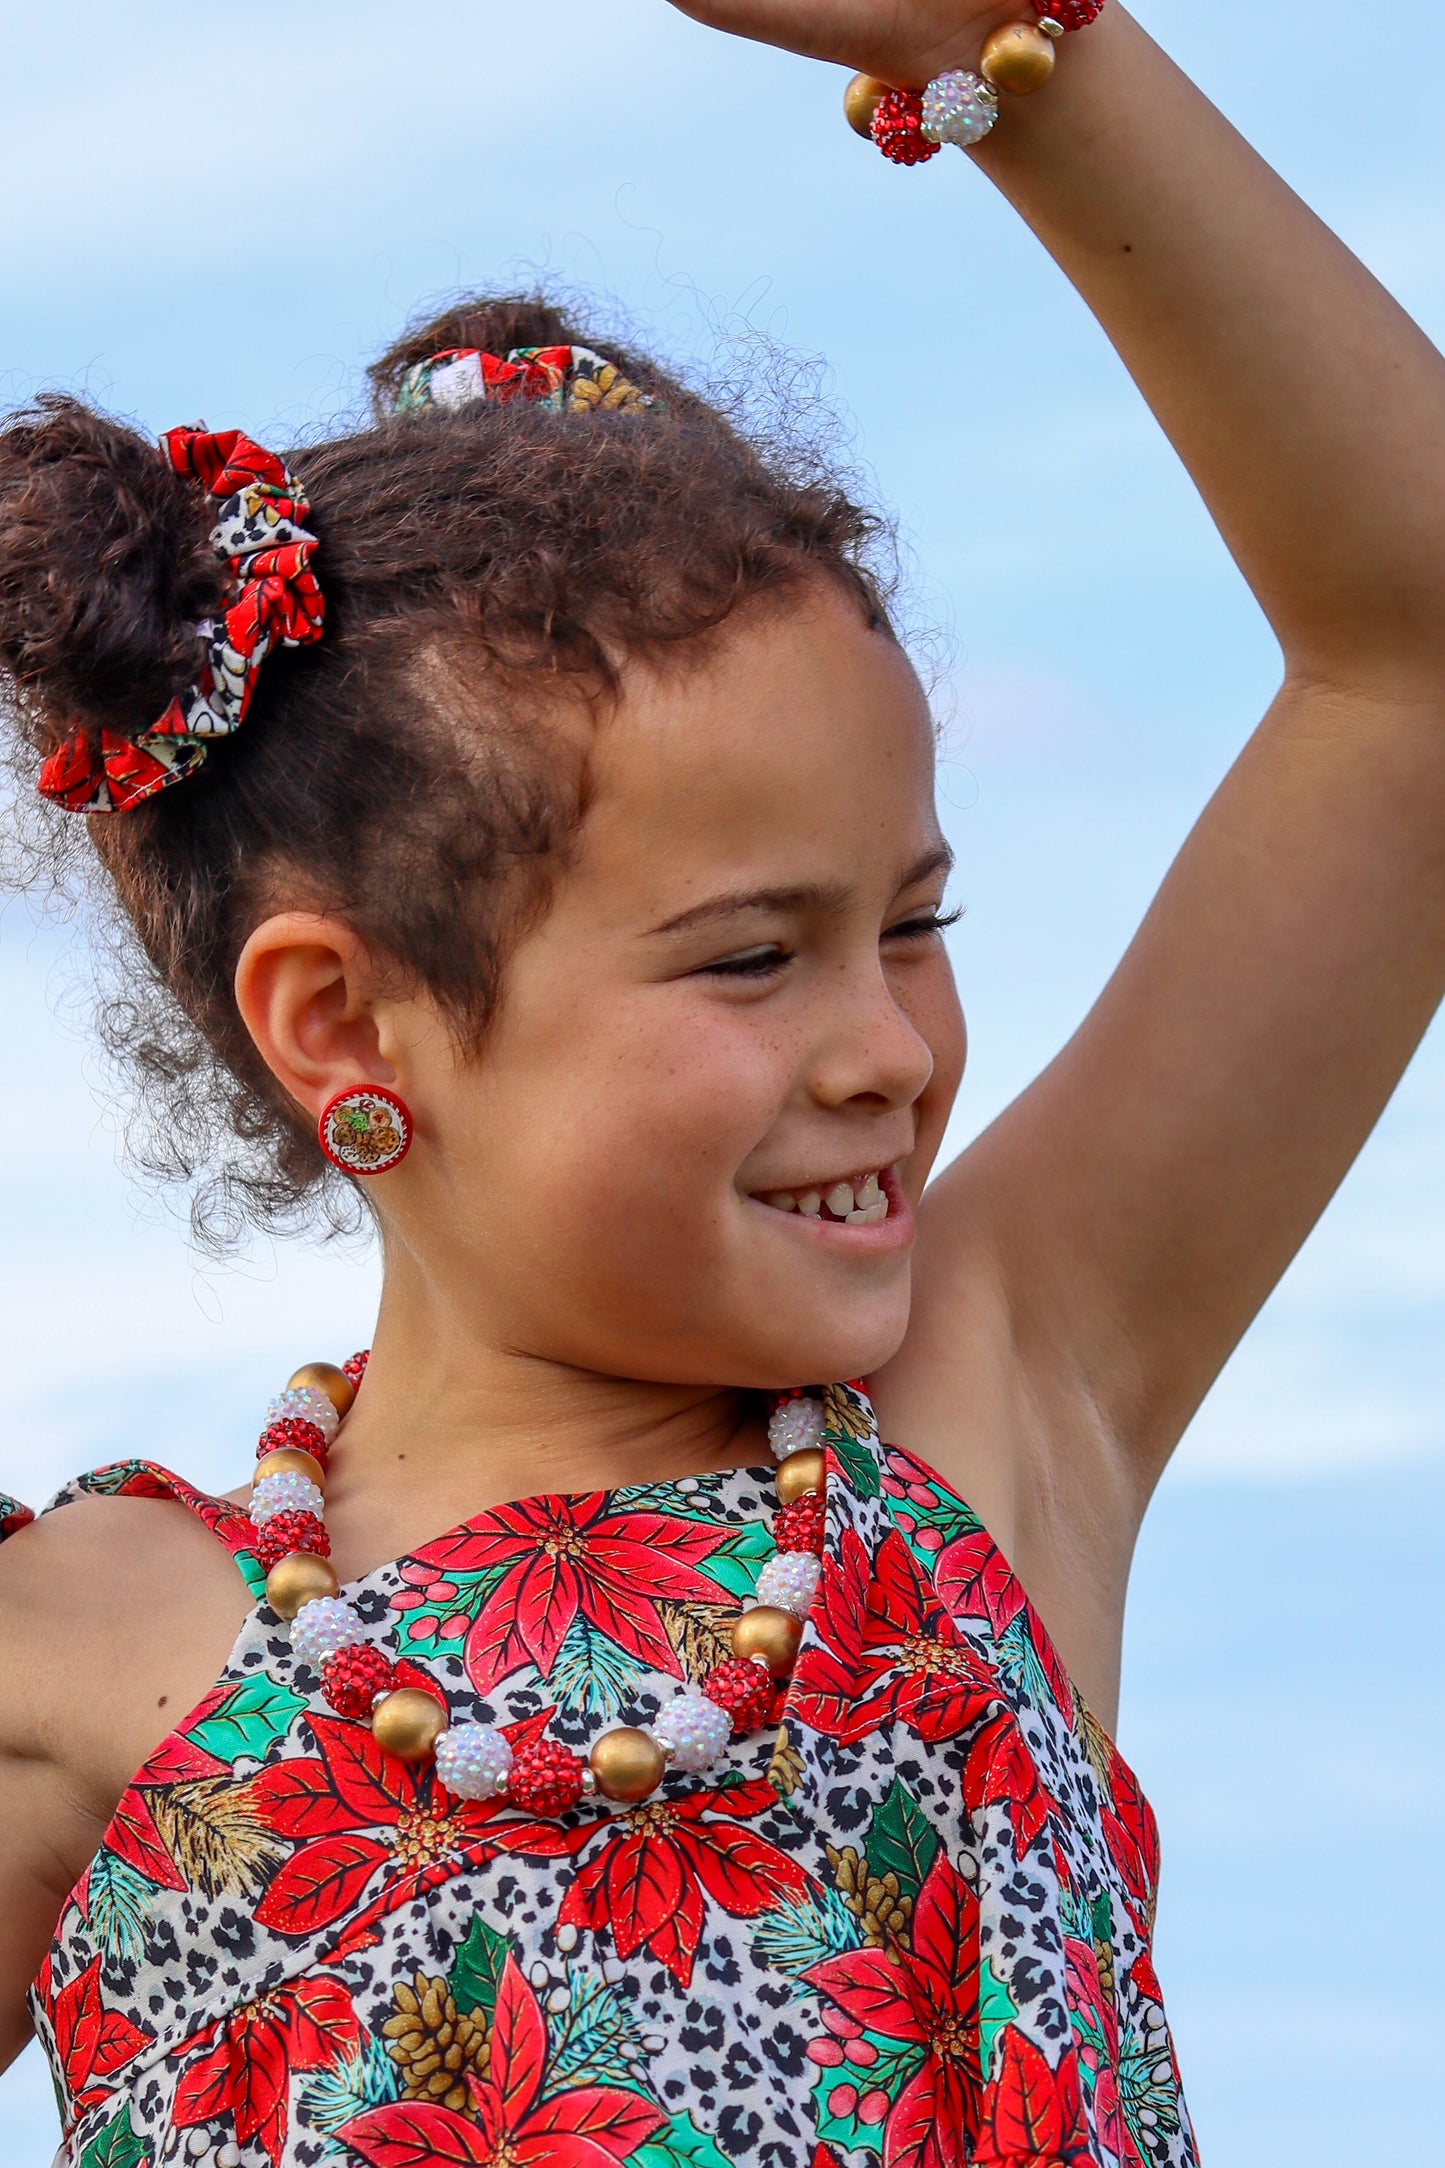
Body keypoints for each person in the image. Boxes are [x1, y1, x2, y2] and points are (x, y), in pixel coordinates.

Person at [2, 1, 1443, 2160]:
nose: (889, 1047)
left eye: (917, 923)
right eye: (755, 956)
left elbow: (1416, 666)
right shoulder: (86, 1645)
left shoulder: (991, 1406)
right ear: (346, 1025)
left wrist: (1027, 51)